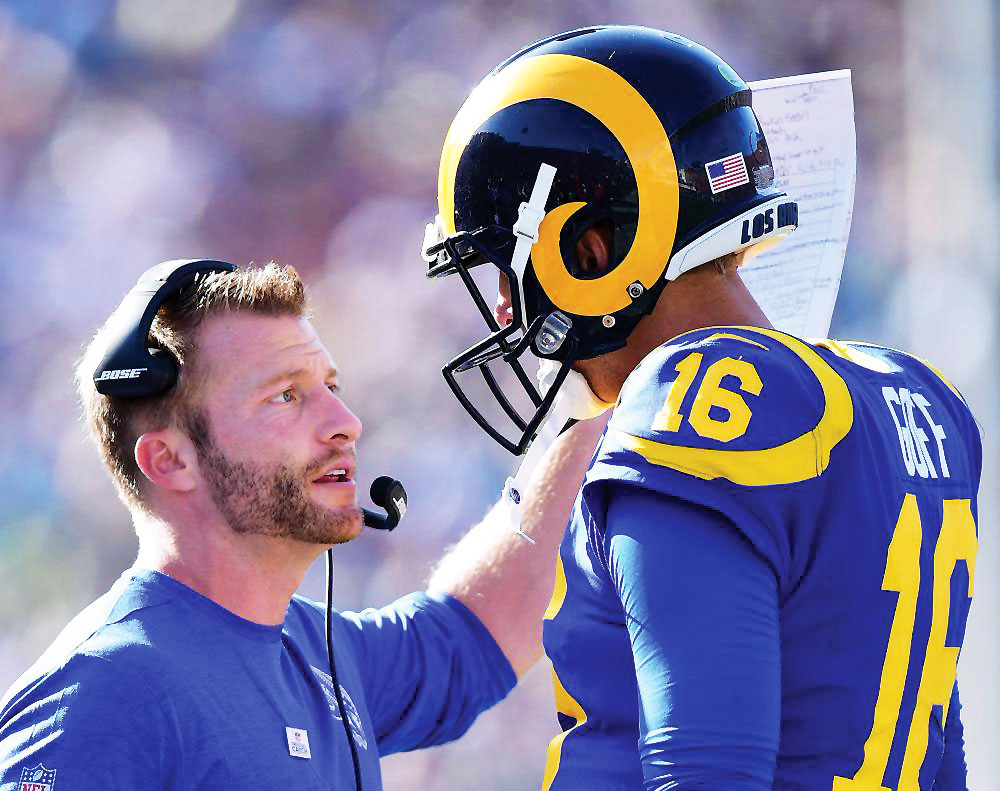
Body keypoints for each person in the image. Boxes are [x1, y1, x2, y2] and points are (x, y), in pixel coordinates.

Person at [423, 25, 981, 790]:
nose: (502, 308)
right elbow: (940, 755)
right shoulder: (912, 391)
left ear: (592, 248)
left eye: (504, 268)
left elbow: (705, 771)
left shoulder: (691, 400)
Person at [0, 259, 607, 790]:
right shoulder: (104, 688)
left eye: (330, 386)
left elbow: (478, 631)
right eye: (285, 396)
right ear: (169, 460)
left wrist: (599, 384)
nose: (346, 422)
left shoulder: (320, 650)